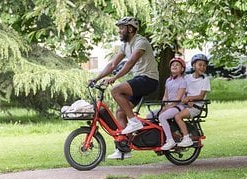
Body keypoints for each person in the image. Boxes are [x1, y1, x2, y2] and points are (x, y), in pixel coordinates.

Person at [90, 16, 159, 159]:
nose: (119, 31)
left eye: (122, 28)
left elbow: (130, 63)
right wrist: (96, 78)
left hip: (149, 79)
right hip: (139, 79)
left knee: (116, 90)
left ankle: (134, 121)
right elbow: (112, 64)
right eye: (119, 28)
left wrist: (115, 78)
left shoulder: (141, 42)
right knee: (120, 113)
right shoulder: (125, 45)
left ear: (131, 28)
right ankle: (124, 148)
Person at [147, 57, 187, 150]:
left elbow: (178, 99)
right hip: (169, 106)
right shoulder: (168, 80)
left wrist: (166, 108)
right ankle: (158, 137)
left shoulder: (182, 81)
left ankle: (170, 140)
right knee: (149, 116)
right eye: (173, 65)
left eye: (177, 65)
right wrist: (164, 106)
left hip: (178, 106)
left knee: (162, 116)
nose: (174, 66)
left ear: (182, 69)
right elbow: (165, 96)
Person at [174, 54, 211, 147]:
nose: (202, 67)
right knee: (171, 113)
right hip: (186, 104)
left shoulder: (205, 80)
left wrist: (190, 99)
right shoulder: (187, 78)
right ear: (194, 65)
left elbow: (201, 96)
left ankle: (186, 138)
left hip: (196, 107)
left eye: (204, 65)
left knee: (178, 116)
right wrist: (185, 99)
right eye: (200, 65)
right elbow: (183, 91)